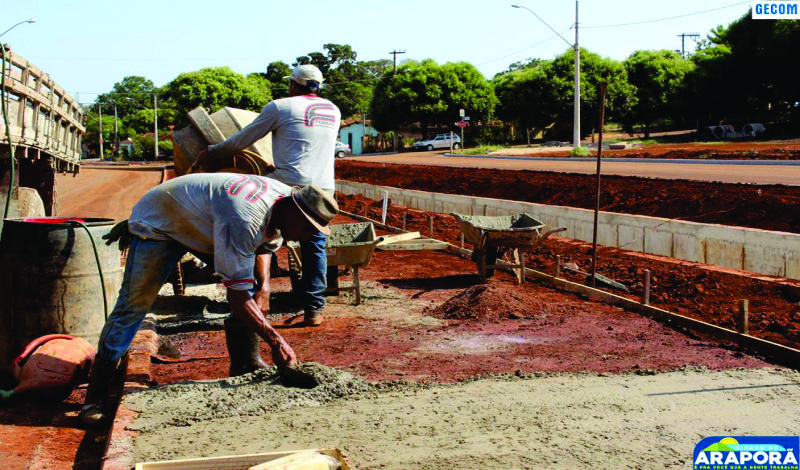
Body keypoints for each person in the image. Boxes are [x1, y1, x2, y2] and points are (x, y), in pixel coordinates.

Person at [79, 173, 338, 427]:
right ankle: (95, 398)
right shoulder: (246, 217)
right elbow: (236, 295)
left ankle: (245, 362)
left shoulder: (285, 206)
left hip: (206, 222)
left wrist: (265, 288)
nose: (306, 237)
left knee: (255, 288)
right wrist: (276, 340)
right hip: (162, 221)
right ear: (292, 211)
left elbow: (263, 247)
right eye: (307, 229)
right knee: (135, 304)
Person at [192, 64, 341, 327]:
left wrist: (212, 152)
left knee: (258, 233)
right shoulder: (333, 110)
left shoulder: (280, 107)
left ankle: (256, 295)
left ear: (293, 84)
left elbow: (243, 140)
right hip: (323, 190)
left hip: (286, 187)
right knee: (315, 244)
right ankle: (314, 308)